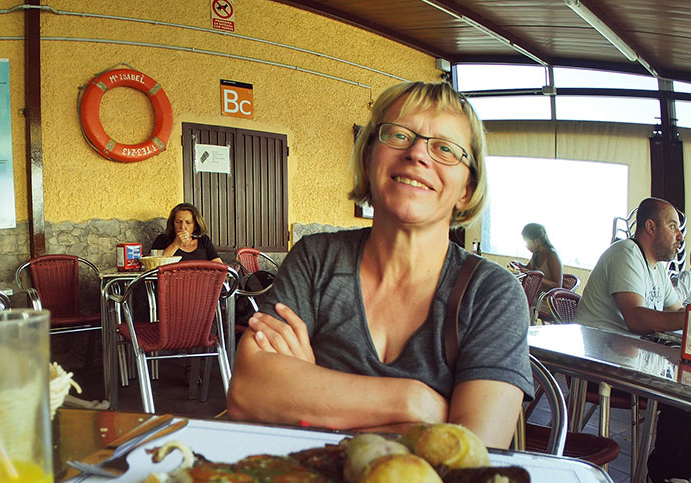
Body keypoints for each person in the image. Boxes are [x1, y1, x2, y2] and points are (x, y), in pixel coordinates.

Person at [225, 81, 530, 447]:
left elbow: (475, 455)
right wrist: (416, 402)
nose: (418, 154)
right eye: (399, 135)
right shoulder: (315, 259)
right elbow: (247, 392)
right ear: (369, 158)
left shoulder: (491, 293)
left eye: (445, 148)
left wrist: (310, 388)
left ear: (466, 189)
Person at [576, 197, 691, 483]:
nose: (680, 236)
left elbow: (677, 312)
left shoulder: (657, 269)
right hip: (596, 363)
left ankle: (673, 479)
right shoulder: (626, 254)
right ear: (650, 227)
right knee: (684, 389)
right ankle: (661, 479)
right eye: (673, 226)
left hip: (627, 359)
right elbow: (636, 319)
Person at [149, 203, 220, 261]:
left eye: (188, 223)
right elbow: (153, 264)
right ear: (173, 223)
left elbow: (219, 266)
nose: (182, 226)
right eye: (178, 222)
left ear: (195, 225)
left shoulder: (204, 241)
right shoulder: (162, 239)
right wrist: (175, 244)